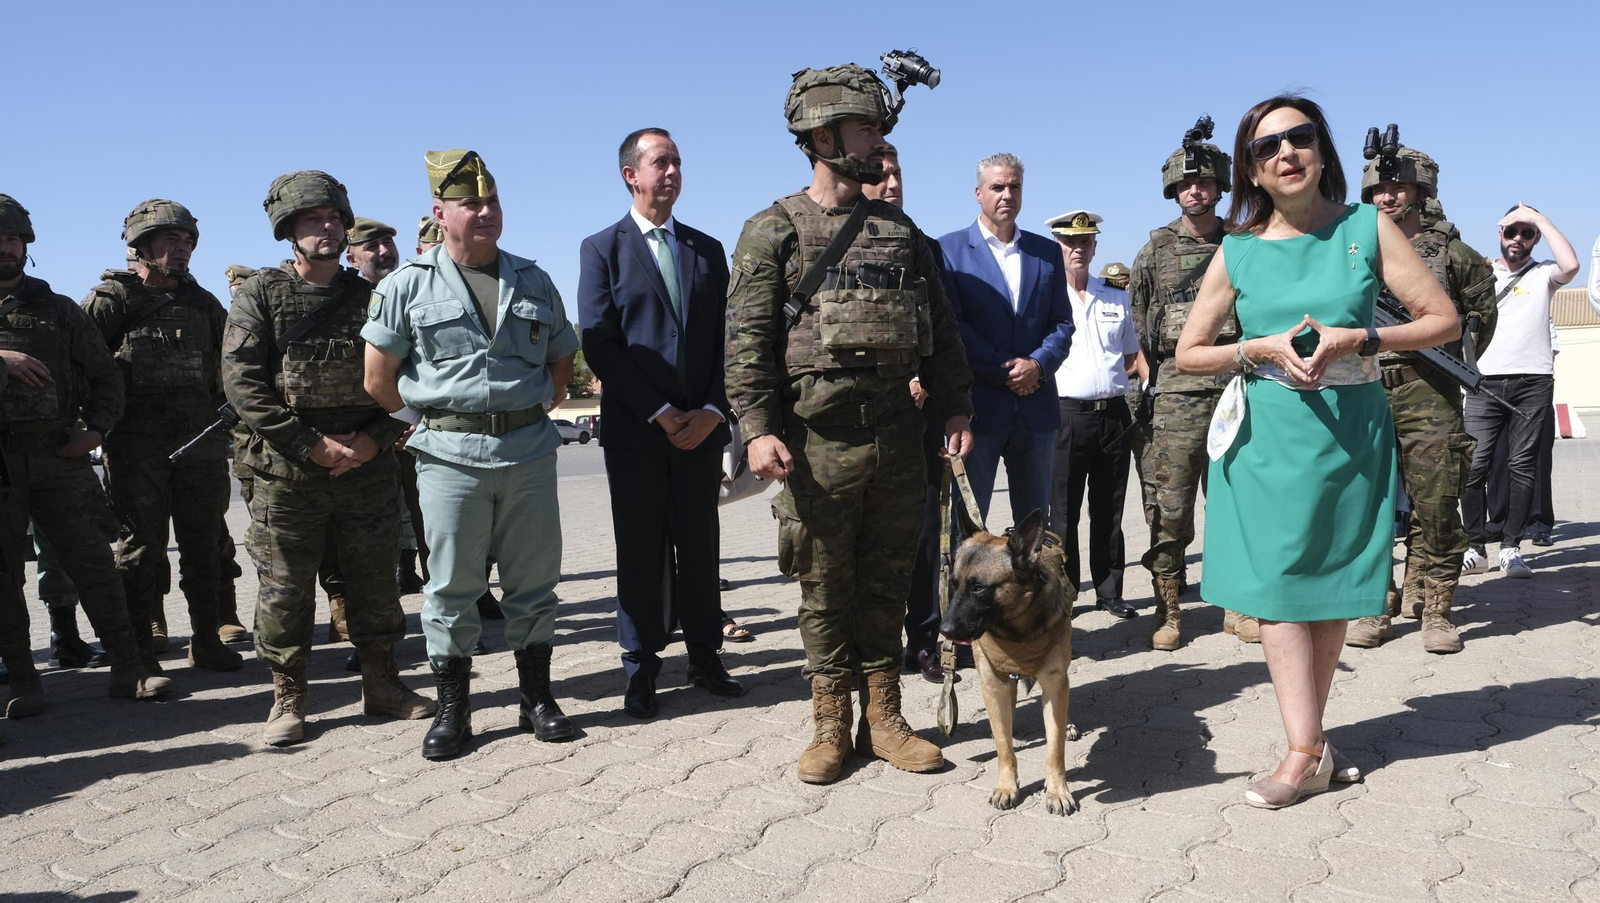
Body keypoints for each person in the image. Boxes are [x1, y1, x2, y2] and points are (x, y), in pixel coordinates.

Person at [1175, 95, 1458, 809]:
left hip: (1351, 430)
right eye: (1267, 147)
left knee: (1329, 589)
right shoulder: (1237, 250)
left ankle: (1313, 743)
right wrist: (1260, 346)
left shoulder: (1369, 227)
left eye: (1299, 138)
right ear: (1253, 171)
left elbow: (1442, 321)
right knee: (1277, 592)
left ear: (1323, 151)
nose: (1285, 153)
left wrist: (1357, 338)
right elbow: (1188, 352)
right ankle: (1304, 749)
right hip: (1267, 433)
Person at [725, 64, 975, 784]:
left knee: (888, 581)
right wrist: (756, 426)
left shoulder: (902, 234)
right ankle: (831, 724)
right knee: (825, 584)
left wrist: (957, 404)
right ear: (824, 135)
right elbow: (745, 343)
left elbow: (944, 334)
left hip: (899, 438)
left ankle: (886, 719)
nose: (878, 142)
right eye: (867, 128)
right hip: (814, 445)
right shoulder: (772, 230)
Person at [364, 149, 578, 760]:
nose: (484, 212)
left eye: (492, 201)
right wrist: (423, 424)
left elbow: (562, 358)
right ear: (440, 212)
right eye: (469, 203)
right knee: (453, 585)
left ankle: (536, 697)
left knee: (534, 581)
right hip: (449, 454)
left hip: (529, 450)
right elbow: (378, 378)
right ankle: (455, 709)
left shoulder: (533, 279)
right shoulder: (409, 284)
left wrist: (530, 406)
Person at [224, 170, 435, 746]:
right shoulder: (260, 294)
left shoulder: (373, 295)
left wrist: (373, 437)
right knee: (285, 587)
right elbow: (242, 384)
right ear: (287, 230)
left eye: (334, 219)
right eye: (312, 220)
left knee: (373, 580)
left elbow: (412, 376)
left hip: (367, 463)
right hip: (289, 471)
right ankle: (288, 697)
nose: (326, 228)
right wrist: (309, 445)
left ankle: (383, 685)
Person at [578, 127, 742, 719]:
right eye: (660, 162)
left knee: (700, 547)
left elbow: (731, 340)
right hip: (638, 432)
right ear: (631, 175)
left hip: (702, 429)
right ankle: (642, 667)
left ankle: (706, 657)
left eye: (677, 161)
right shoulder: (602, 249)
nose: (672, 171)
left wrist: (713, 410)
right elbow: (599, 343)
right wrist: (661, 411)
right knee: (642, 551)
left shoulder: (706, 249)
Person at [0, 193, 169, 703]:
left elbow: (106, 378)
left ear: (25, 244)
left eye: (12, 238)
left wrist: (95, 432)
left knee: (95, 565)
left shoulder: (58, 310)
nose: (4, 247)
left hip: (59, 456)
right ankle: (25, 682)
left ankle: (129, 668)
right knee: (4, 577)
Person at [1345, 147, 1496, 652]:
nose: (1388, 197)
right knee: (1368, 505)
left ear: (1419, 191)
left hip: (1428, 388)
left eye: (1398, 188)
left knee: (1435, 502)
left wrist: (1448, 352)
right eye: (1378, 190)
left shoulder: (1451, 251)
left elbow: (1479, 311)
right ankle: (1375, 603)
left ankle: (1437, 610)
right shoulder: (1352, 247)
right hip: (1364, 388)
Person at [83, 199, 242, 673]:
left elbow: (225, 370)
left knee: (205, 543)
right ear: (142, 244)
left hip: (201, 442)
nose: (182, 248)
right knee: (139, 548)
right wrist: (92, 427)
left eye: (187, 240)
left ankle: (205, 639)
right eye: (170, 239)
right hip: (135, 447)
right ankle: (135, 652)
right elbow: (84, 369)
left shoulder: (203, 303)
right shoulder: (111, 302)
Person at [1129, 120, 1251, 650]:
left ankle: (1239, 606)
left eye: (1203, 183)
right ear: (1173, 190)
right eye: (1185, 185)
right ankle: (1169, 610)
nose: (1194, 191)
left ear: (1221, 188)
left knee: (1237, 503)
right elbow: (1136, 327)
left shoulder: (1243, 245)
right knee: (1169, 507)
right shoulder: (1155, 250)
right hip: (1177, 396)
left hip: (1237, 390)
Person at [939, 154, 1074, 523]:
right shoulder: (947, 251)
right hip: (977, 409)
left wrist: (1037, 365)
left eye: (1015, 186)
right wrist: (1006, 370)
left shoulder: (1046, 252)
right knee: (969, 526)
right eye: (998, 187)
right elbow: (953, 327)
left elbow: (1062, 323)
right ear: (978, 193)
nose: (1007, 195)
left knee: (1034, 529)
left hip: (1036, 409)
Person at [861, 144, 946, 683]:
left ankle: (925, 643)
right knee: (863, 544)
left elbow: (944, 336)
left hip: (916, 422)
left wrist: (926, 381)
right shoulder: (833, 244)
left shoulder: (924, 246)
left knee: (922, 537)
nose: (892, 184)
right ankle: (870, 651)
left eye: (898, 174)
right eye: (880, 175)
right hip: (853, 424)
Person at [1460, 205, 1579, 579]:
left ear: (1536, 238)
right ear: (1499, 233)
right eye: (1512, 231)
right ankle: (1475, 547)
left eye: (1527, 233)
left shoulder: (1544, 273)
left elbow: (1572, 265)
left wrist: (1540, 218)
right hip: (1484, 381)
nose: (1518, 240)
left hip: (1533, 381)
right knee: (1473, 467)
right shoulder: (1480, 271)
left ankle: (1512, 548)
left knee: (1523, 468)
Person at [1044, 210, 1139, 618]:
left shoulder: (1115, 296)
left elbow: (1132, 354)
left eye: (1085, 242)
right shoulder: (1046, 297)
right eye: (1070, 242)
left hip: (1114, 414)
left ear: (1095, 246)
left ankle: (1110, 590)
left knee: (1110, 508)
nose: (1078, 249)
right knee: (1062, 512)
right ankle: (1064, 593)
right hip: (1065, 414)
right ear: (1058, 247)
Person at [347, 217, 428, 598]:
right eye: (372, 246)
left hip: (415, 426)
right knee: (374, 527)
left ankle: (466, 601)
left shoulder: (420, 290)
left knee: (434, 519)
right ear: (351, 257)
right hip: (370, 433)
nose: (384, 252)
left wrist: (413, 419)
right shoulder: (347, 301)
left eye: (387, 244)